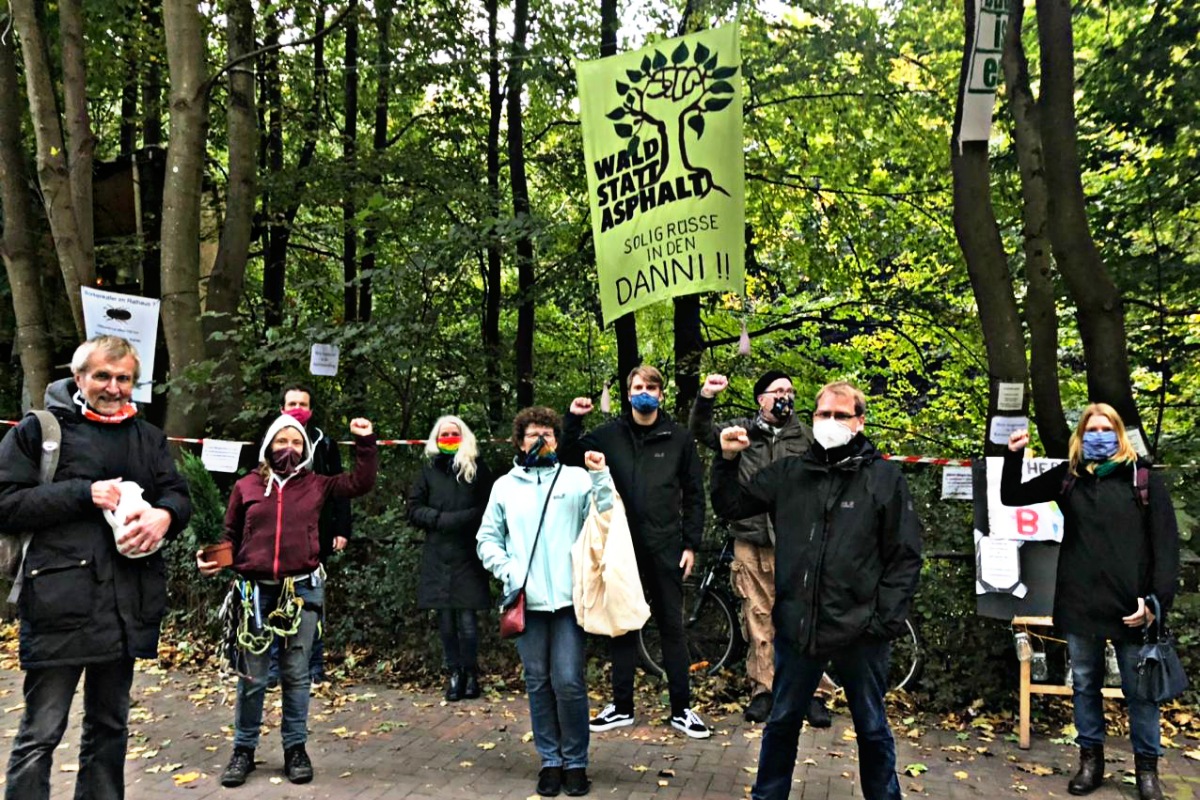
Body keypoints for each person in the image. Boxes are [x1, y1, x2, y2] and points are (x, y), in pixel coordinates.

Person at [0, 335, 193, 800]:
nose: (113, 387)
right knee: (41, 733)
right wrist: (83, 493)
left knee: (110, 728)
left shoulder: (147, 437)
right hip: (57, 605)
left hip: (126, 607)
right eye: (102, 376)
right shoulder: (38, 431)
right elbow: (5, 503)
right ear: (79, 377)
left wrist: (164, 515)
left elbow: (178, 495)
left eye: (123, 378)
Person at [711, 380, 922, 800]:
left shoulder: (882, 478)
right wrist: (727, 461)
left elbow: (906, 555)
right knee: (783, 721)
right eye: (823, 414)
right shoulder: (792, 473)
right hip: (798, 627)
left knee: (872, 726)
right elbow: (733, 506)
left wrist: (883, 620)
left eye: (840, 415)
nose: (829, 422)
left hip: (860, 629)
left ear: (859, 422)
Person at [1001, 405, 1178, 800]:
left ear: (1119, 434)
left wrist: (1155, 602)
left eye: (1106, 428)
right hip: (1081, 604)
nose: (1099, 435)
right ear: (1081, 435)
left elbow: (1167, 549)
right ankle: (1090, 762)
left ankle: (1147, 770)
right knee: (1084, 685)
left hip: (1133, 609)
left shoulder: (1144, 479)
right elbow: (1012, 496)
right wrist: (1013, 455)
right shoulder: (1070, 477)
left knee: (1141, 693)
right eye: (1092, 428)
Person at [198, 413, 377, 788]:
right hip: (255, 593)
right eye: (282, 442)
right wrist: (213, 557)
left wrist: (364, 442)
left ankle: (296, 748)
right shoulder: (246, 486)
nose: (289, 449)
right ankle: (243, 750)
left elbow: (360, 483)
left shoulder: (317, 485)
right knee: (253, 677)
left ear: (306, 449)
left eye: (296, 443)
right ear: (268, 446)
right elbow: (229, 533)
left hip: (301, 591)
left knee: (297, 675)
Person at [564, 365, 710, 739]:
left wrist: (691, 543)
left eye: (651, 387)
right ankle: (622, 707)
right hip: (621, 546)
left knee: (671, 628)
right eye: (638, 386)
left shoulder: (679, 438)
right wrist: (573, 421)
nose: (644, 392)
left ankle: (681, 709)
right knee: (622, 625)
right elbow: (566, 457)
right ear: (629, 393)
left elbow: (695, 494)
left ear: (661, 394)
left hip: (666, 547)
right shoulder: (609, 435)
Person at [477, 407, 613, 797]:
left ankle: (576, 762)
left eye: (548, 434)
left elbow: (605, 519)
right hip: (527, 602)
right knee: (538, 682)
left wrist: (600, 475)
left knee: (569, 681)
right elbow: (487, 538)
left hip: (570, 601)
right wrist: (509, 571)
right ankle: (550, 761)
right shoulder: (505, 486)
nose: (541, 441)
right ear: (519, 441)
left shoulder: (575, 479)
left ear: (558, 439)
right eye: (533, 434)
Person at [689, 370, 835, 727]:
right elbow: (701, 432)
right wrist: (706, 396)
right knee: (758, 618)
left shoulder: (807, 437)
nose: (786, 396)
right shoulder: (742, 430)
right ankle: (763, 690)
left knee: (803, 620)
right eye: (779, 390)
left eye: (791, 390)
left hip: (797, 542)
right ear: (761, 399)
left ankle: (813, 694)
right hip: (751, 539)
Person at [267, 384, 352, 686]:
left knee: (312, 604)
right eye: (292, 403)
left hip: (317, 533)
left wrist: (342, 528)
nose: (297, 408)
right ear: (282, 408)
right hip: (277, 536)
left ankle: (314, 666)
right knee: (276, 602)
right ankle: (274, 667)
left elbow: (341, 487)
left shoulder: (324, 443)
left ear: (311, 410)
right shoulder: (270, 443)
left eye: (303, 403)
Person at [408, 415, 495, 701]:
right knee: (445, 622)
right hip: (437, 553)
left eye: (453, 433)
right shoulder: (428, 470)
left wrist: (459, 520)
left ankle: (471, 673)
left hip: (468, 553)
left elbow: (488, 506)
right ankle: (454, 672)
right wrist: (438, 519)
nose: (448, 438)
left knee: (468, 622)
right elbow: (414, 508)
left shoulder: (477, 469)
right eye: (443, 434)